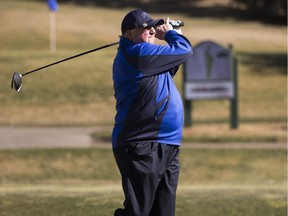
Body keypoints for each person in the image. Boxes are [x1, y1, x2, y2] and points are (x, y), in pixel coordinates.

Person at [112, 9, 193, 216]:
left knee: (164, 211)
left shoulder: (148, 56)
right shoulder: (137, 54)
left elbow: (176, 61)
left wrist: (173, 34)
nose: (150, 31)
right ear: (128, 33)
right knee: (138, 212)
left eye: (152, 27)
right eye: (145, 28)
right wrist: (170, 35)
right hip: (142, 143)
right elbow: (184, 50)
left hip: (168, 144)